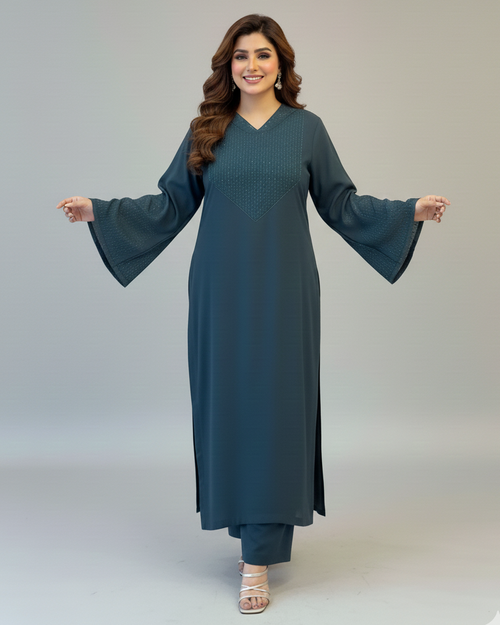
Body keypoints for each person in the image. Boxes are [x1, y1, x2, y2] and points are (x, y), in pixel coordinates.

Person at [57, 14, 449, 614]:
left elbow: (341, 204)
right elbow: (170, 204)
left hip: (287, 290)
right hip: (220, 290)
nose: (252, 66)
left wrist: (408, 211)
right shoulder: (206, 130)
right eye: (241, 56)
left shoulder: (307, 130)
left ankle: (258, 557)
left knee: (278, 410)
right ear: (228, 66)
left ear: (281, 64)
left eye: (263, 55)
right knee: (231, 407)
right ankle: (248, 543)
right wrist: (99, 211)